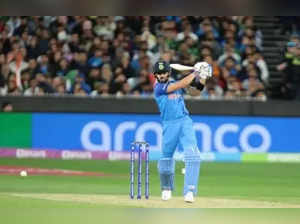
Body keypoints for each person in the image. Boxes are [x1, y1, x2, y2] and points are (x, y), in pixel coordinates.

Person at [153, 60, 212, 203]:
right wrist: (196, 72)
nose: (161, 75)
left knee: (193, 156)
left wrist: (202, 77)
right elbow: (181, 84)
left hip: (184, 121)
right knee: (166, 159)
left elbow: (195, 92)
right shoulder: (158, 87)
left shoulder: (174, 82)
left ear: (169, 72)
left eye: (164, 72)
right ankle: (166, 188)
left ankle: (190, 191)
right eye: (159, 73)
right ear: (155, 75)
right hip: (169, 124)